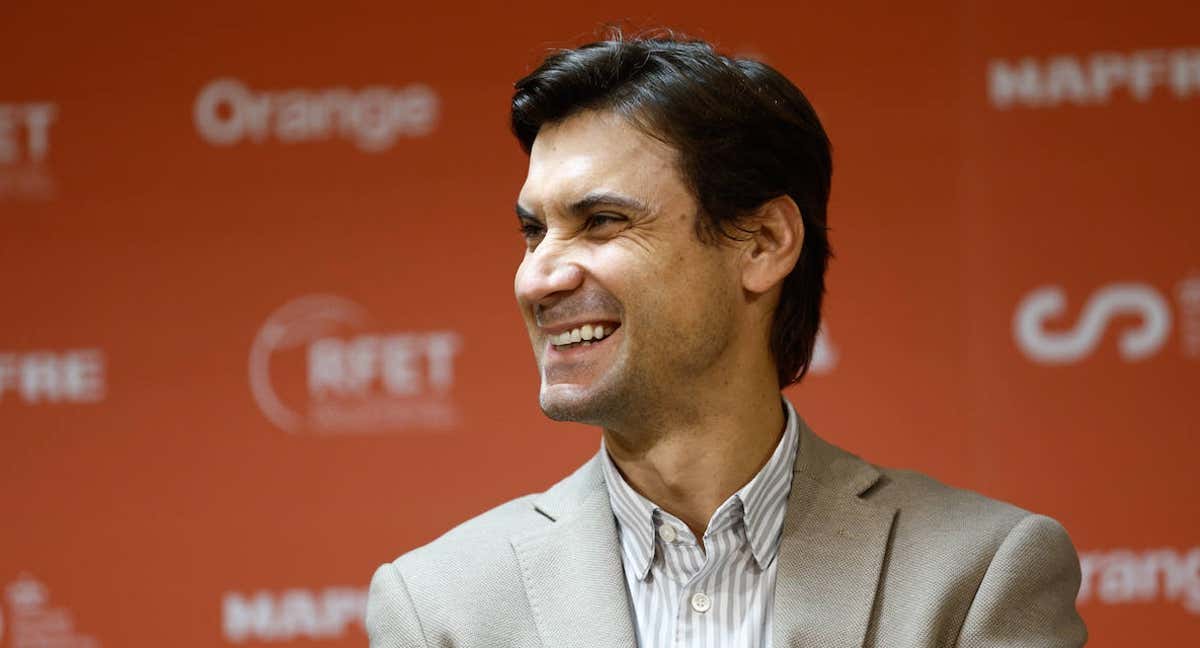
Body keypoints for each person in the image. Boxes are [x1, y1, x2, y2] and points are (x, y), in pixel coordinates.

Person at [366, 33, 1087, 648]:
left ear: (764, 243)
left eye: (603, 222)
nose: (537, 279)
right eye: (533, 231)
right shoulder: (438, 610)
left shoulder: (979, 573)